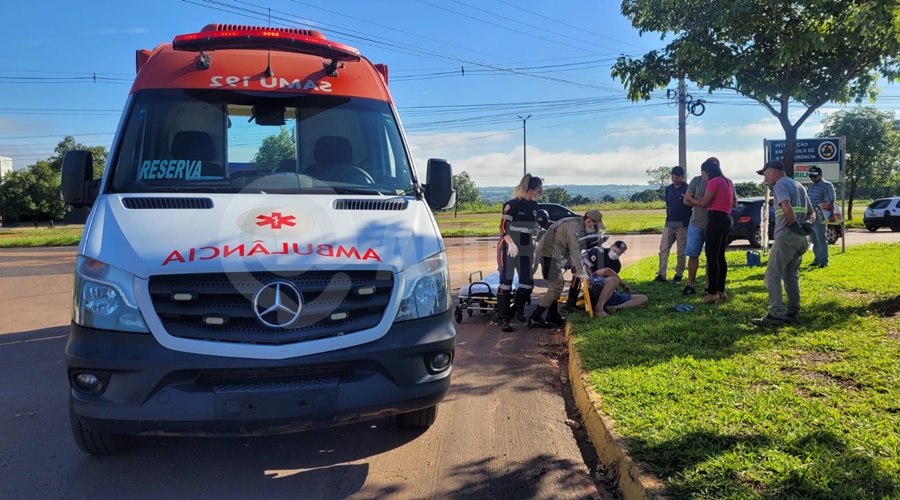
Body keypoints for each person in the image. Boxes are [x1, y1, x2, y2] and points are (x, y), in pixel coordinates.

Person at [752, 160, 816, 327]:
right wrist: (807, 224)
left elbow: (786, 208)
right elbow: (812, 212)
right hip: (801, 239)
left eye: (765, 174)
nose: (765, 179)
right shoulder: (799, 186)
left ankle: (775, 315)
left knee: (772, 275)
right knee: (790, 276)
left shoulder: (780, 185)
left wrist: (794, 225)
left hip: (787, 236)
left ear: (772, 171)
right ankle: (792, 312)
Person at [528, 209, 604, 328]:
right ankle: (535, 317)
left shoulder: (576, 223)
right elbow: (574, 249)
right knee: (556, 286)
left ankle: (552, 315)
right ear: (589, 220)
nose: (594, 228)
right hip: (548, 256)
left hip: (552, 255)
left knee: (558, 285)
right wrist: (580, 271)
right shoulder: (573, 226)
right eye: (594, 225)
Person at [496, 173, 543, 332]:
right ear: (531, 189)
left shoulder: (534, 206)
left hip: (525, 248)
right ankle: (503, 318)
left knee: (527, 283)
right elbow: (503, 227)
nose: (539, 193)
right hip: (508, 248)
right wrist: (510, 243)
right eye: (538, 189)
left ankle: (517, 308)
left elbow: (532, 227)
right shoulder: (511, 204)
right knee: (506, 283)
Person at [691, 158, 735, 304]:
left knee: (711, 257)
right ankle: (721, 291)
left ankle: (711, 293)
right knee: (720, 257)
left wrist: (692, 200)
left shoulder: (714, 181)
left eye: (703, 174)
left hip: (715, 219)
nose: (703, 177)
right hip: (726, 218)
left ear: (707, 172)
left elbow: (704, 202)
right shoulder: (727, 181)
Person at [585, 249, 648, 317]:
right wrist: (623, 284)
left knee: (643, 298)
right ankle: (599, 308)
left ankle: (615, 307)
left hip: (614, 296)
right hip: (597, 291)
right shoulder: (594, 276)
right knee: (614, 280)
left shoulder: (607, 278)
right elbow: (607, 271)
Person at [655, 166, 691, 283]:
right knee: (663, 249)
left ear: (682, 177)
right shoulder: (668, 189)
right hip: (669, 223)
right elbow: (668, 204)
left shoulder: (688, 189)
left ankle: (679, 274)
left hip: (683, 225)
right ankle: (662, 274)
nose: (675, 180)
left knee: (681, 252)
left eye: (677, 177)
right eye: (673, 177)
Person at [806, 165, 836, 268]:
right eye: (811, 176)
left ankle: (824, 261)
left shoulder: (827, 185)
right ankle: (817, 259)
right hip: (811, 215)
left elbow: (830, 200)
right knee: (814, 239)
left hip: (821, 215)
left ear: (820, 175)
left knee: (821, 238)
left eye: (815, 176)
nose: (812, 178)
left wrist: (832, 214)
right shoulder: (811, 187)